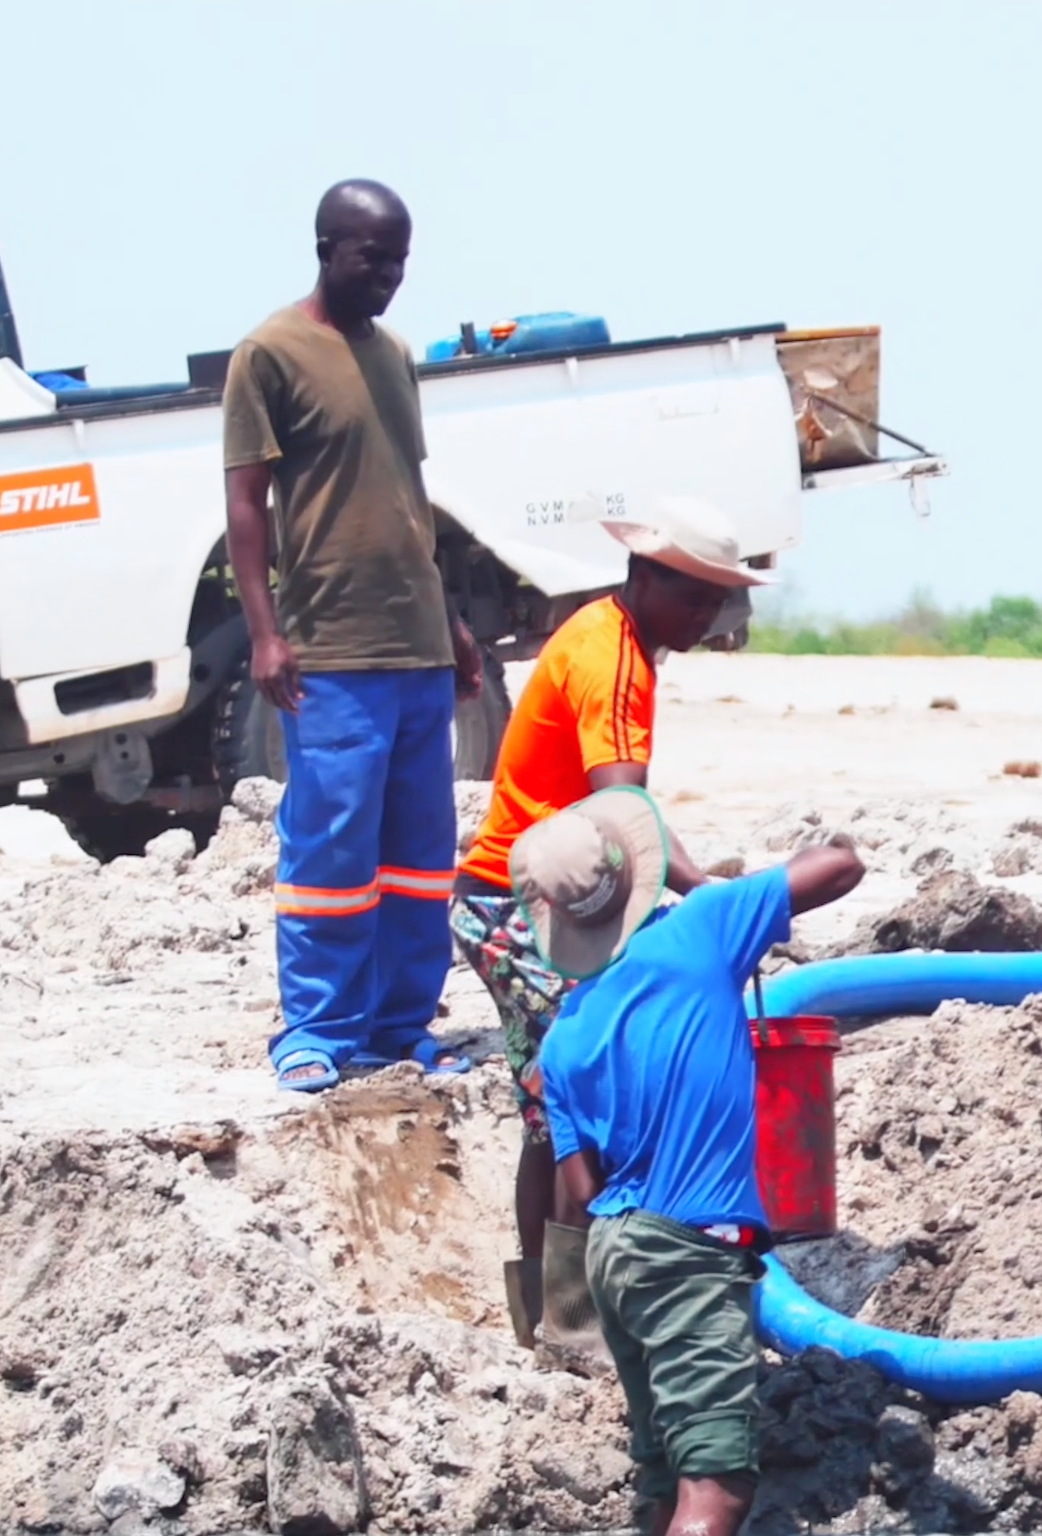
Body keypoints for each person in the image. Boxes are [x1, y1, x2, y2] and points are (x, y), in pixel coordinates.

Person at [448, 500, 770, 1344]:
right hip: (531, 900)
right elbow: (621, 808)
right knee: (578, 1103)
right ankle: (576, 1324)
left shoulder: (605, 634)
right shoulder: (616, 664)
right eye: (691, 597)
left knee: (550, 1109)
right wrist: (701, 889)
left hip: (520, 893)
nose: (705, 617)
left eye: (716, 601)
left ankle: (545, 1318)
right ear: (643, 577)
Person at [526, 790, 864, 1536]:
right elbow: (841, 867)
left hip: (617, 1257)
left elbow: (579, 1193)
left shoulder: (565, 1035)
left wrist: (568, 1315)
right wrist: (702, 887)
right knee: (716, 1491)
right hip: (690, 1250)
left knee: (661, 1479)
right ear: (636, 875)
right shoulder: (702, 931)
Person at [224, 179, 483, 1093]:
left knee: (418, 858)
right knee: (332, 850)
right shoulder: (269, 355)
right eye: (374, 256)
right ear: (328, 247)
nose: (389, 276)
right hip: (331, 650)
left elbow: (410, 499)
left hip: (416, 649)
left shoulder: (397, 356)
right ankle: (318, 1031)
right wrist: (265, 631)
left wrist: (451, 621)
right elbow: (247, 509)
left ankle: (397, 1024)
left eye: (401, 259)